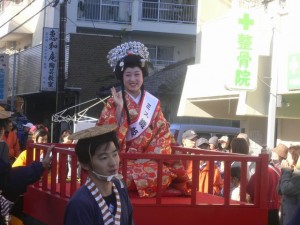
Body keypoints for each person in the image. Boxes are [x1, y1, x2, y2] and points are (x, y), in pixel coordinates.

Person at [97, 41, 175, 197]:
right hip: (119, 161)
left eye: (137, 74)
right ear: (122, 77)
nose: (133, 79)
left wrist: (148, 157)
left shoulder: (153, 103)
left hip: (147, 160)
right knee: (117, 174)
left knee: (163, 173)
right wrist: (119, 110)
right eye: (128, 75)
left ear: (143, 76)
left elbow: (162, 133)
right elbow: (103, 134)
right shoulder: (113, 101)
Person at [63, 124, 133, 225]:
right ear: (85, 164)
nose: (113, 163)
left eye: (114, 154)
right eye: (104, 158)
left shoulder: (120, 186)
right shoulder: (80, 204)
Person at [247, 146, 281, 225]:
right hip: (276, 207)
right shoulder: (278, 171)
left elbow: (249, 189)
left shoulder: (260, 172)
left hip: (261, 208)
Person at [278, 145, 300, 225]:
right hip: (286, 218)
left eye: (288, 156)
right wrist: (284, 171)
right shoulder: (292, 173)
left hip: (293, 219)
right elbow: (279, 190)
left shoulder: (298, 176)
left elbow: (285, 189)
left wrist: (286, 171)